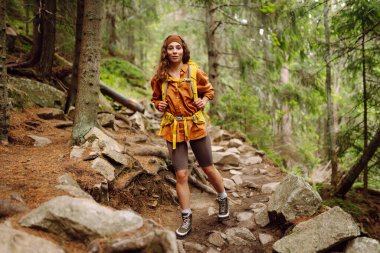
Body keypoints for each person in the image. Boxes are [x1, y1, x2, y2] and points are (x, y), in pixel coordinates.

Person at [150, 34, 229, 237]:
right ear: (165, 52)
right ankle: (186, 217)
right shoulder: (160, 76)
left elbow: (209, 90)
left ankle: (222, 197)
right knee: (181, 174)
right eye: (171, 48)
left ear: (183, 50)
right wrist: (158, 105)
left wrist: (204, 100)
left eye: (178, 47)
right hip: (173, 128)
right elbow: (155, 99)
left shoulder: (194, 71)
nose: (175, 51)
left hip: (195, 124)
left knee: (208, 168)